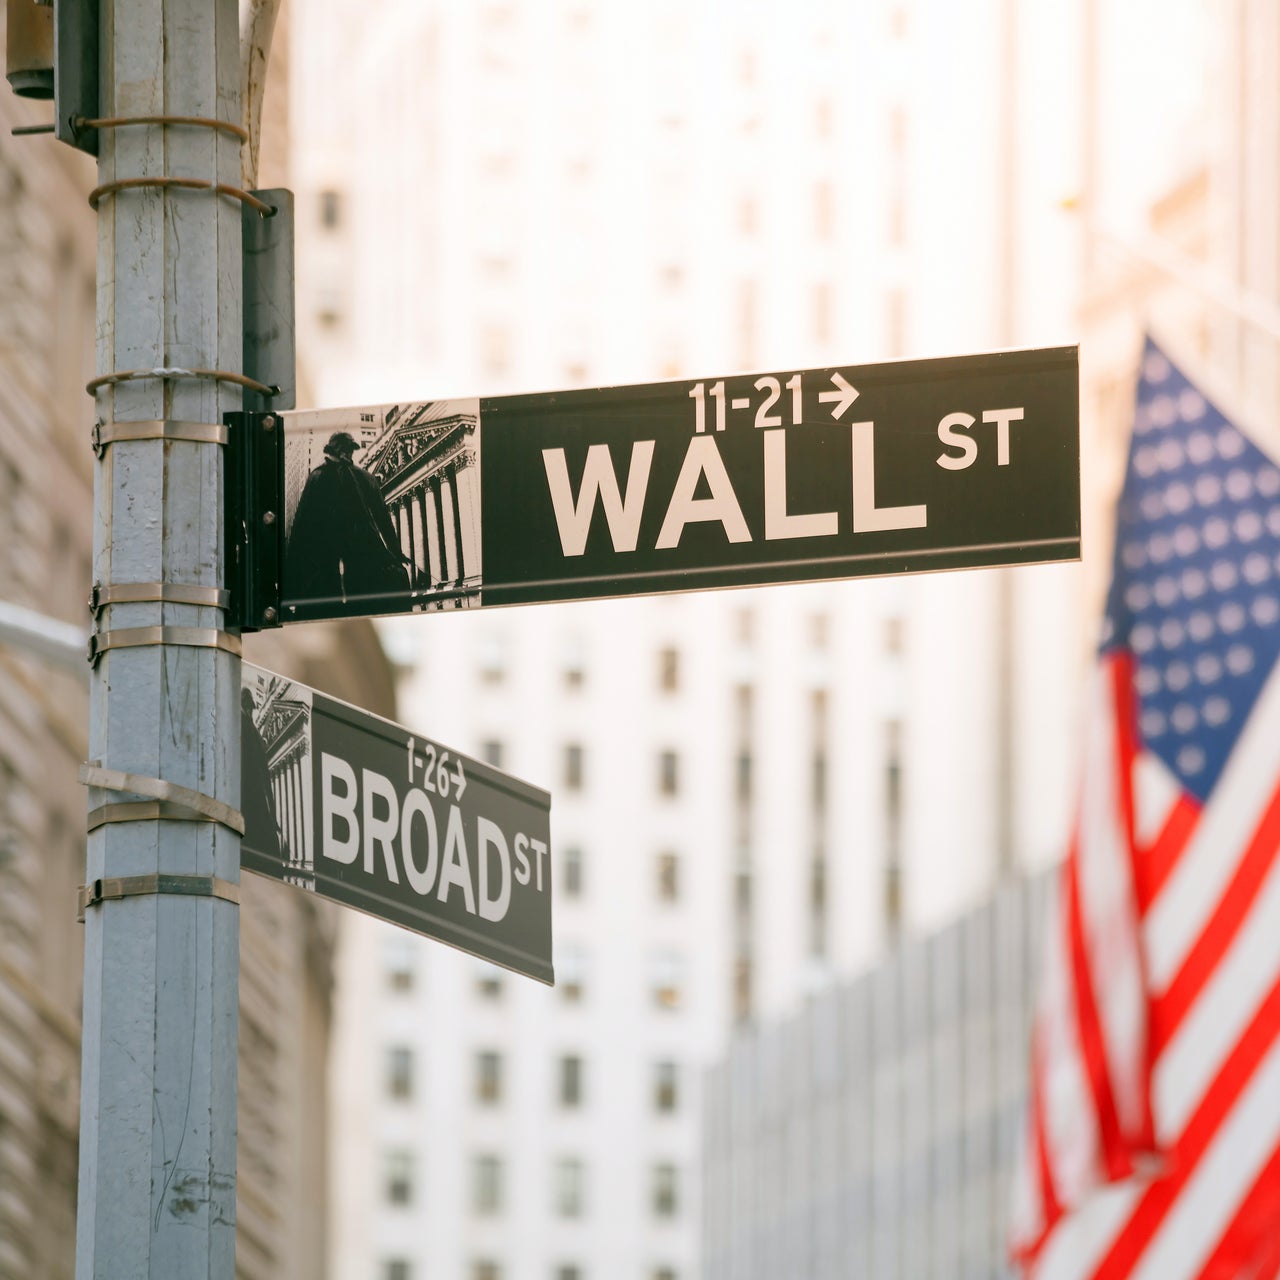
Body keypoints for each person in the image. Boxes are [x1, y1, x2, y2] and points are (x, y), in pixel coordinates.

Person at [284, 430, 410, 608]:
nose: (347, 452)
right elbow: (302, 523)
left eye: (349, 449)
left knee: (356, 597)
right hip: (330, 554)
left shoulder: (363, 478)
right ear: (334, 450)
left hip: (355, 551)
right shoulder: (320, 477)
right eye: (344, 448)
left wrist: (395, 551)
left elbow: (383, 518)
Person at [240, 687, 282, 862]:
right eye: (249, 706)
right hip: (253, 801)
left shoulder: (251, 728)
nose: (250, 711)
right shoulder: (243, 724)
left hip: (256, 801)